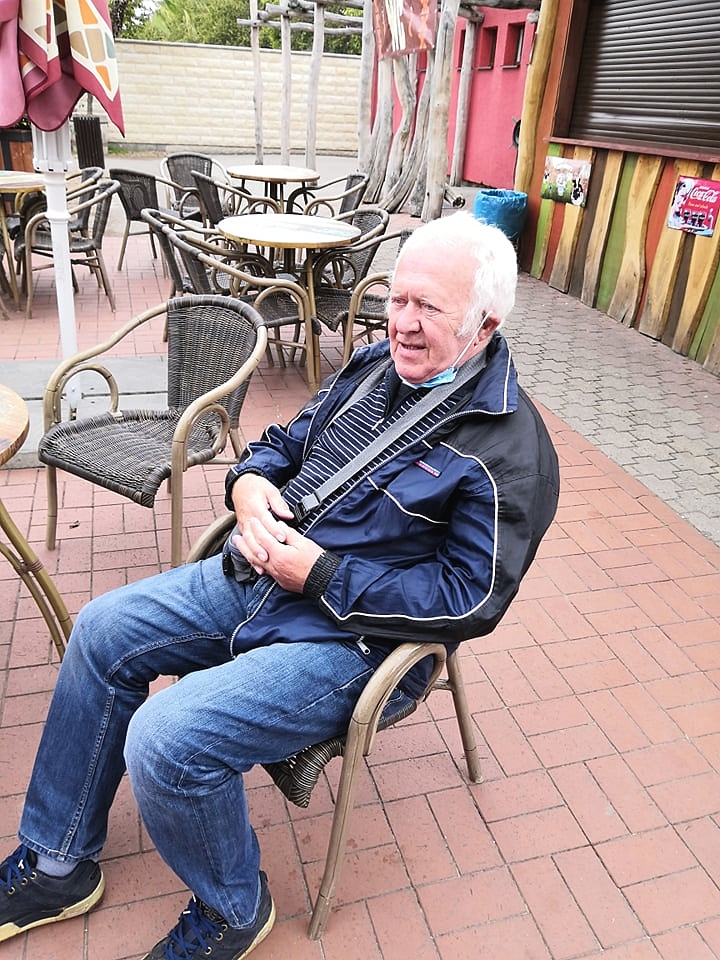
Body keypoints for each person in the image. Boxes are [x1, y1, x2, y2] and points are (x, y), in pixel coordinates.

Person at [0, 211, 559, 958]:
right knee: (101, 632)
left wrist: (321, 574)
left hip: (355, 641)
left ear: (485, 324)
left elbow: (471, 600)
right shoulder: (372, 366)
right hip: (261, 573)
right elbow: (283, 442)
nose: (401, 322)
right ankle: (58, 862)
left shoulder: (510, 450)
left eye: (429, 307)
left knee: (166, 740)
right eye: (397, 298)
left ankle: (234, 907)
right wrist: (248, 484)